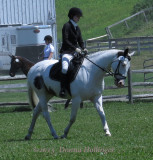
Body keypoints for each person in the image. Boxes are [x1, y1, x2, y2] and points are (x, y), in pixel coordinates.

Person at [59, 7, 88, 97]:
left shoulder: (77, 27)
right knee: (64, 68)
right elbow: (65, 40)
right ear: (72, 16)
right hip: (66, 52)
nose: (79, 18)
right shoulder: (66, 26)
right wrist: (75, 48)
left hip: (76, 52)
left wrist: (84, 48)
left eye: (79, 17)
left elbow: (80, 40)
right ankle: (63, 88)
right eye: (77, 16)